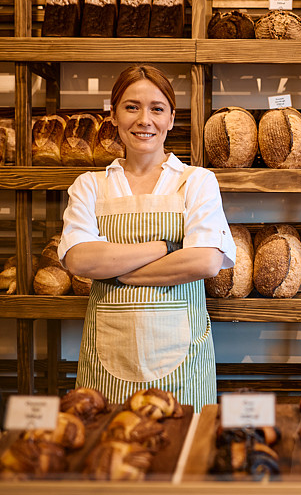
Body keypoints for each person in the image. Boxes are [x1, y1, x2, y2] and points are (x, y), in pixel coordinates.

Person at [57, 64, 236, 412]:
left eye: (156, 109)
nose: (144, 120)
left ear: (171, 118)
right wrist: (167, 248)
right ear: (113, 115)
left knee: (183, 455)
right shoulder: (90, 185)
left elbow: (206, 260)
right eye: (131, 107)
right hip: (106, 361)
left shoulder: (196, 181)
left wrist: (120, 272)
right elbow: (79, 260)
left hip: (182, 363)